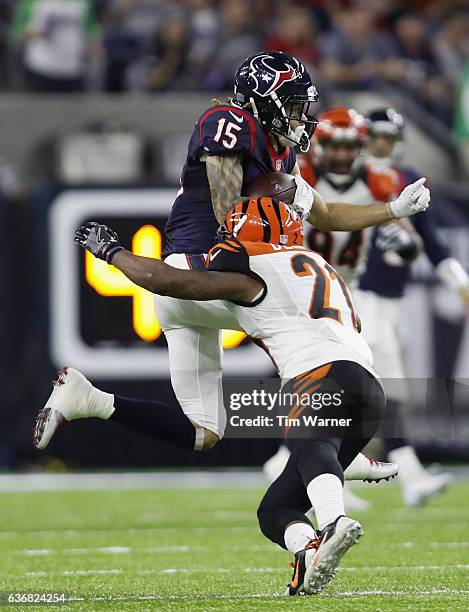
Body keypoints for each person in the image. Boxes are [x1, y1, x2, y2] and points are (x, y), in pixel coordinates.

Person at [39, 193, 426, 594]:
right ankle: (307, 548)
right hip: (366, 389)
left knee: (307, 441)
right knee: (275, 510)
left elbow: (169, 280)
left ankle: (333, 520)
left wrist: (112, 251)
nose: (225, 238)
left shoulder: (251, 272)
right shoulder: (321, 266)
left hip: (320, 376)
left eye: (231, 233)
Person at [263, 105, 402, 510]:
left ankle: (310, 459)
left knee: (352, 379)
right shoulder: (298, 175)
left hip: (347, 291)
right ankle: (309, 460)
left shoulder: (380, 179)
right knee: (319, 373)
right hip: (299, 286)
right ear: (318, 144)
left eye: (349, 146)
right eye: (333, 145)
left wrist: (403, 239)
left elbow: (402, 231)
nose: (342, 155)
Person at [354, 107, 469, 505]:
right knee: (386, 389)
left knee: (367, 392)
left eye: (388, 137)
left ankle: (303, 469)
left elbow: (434, 245)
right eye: (375, 136)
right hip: (359, 296)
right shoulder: (350, 178)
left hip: (392, 300)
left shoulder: (405, 181)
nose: (381, 144)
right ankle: (411, 474)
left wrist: (460, 283)